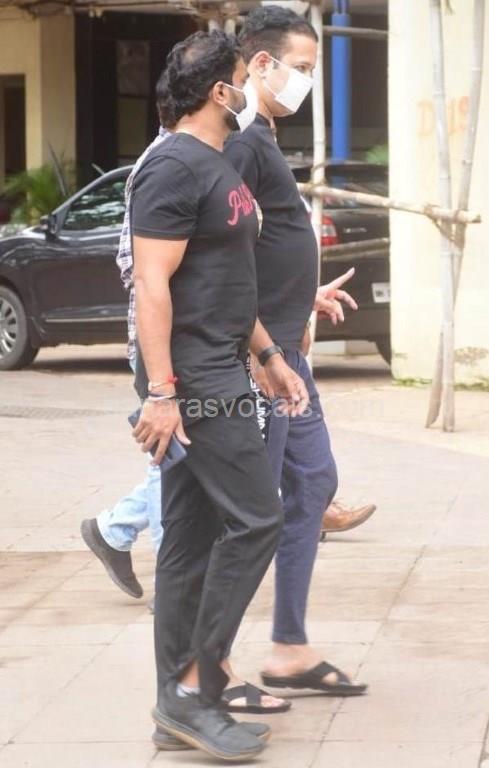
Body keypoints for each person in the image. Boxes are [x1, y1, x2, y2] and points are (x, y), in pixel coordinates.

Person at [129, 30, 310, 760]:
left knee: (191, 535)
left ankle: (176, 705)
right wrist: (162, 393)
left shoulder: (215, 160)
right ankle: (198, 688)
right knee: (259, 519)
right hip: (195, 378)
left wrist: (265, 353)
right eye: (241, 77)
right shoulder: (172, 165)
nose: (249, 90)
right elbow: (151, 285)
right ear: (219, 91)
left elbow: (227, 275)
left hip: (224, 364)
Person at [223, 5, 369, 696]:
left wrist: (301, 295)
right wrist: (260, 349)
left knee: (312, 482)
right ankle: (208, 664)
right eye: (302, 68)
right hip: (264, 360)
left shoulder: (262, 136)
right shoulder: (240, 142)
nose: (307, 81)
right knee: (247, 513)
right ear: (260, 63)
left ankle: (289, 647)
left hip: (287, 350)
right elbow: (222, 253)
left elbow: (266, 244)